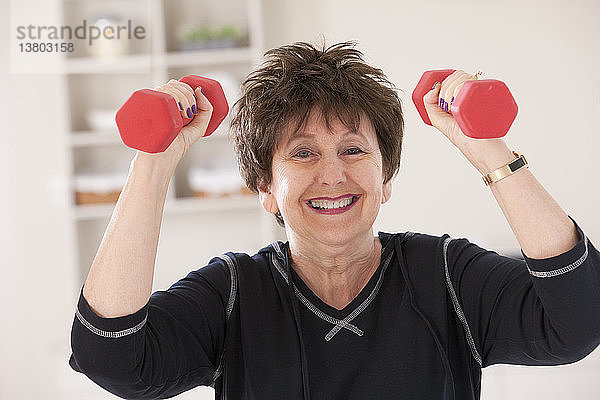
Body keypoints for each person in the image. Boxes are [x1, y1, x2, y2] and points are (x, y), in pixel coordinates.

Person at [69, 41, 600, 400]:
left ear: (385, 179)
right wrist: (154, 162)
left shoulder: (446, 275)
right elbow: (112, 357)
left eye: (352, 149)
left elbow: (577, 324)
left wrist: (488, 150)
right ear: (266, 191)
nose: (332, 174)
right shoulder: (235, 291)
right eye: (302, 154)